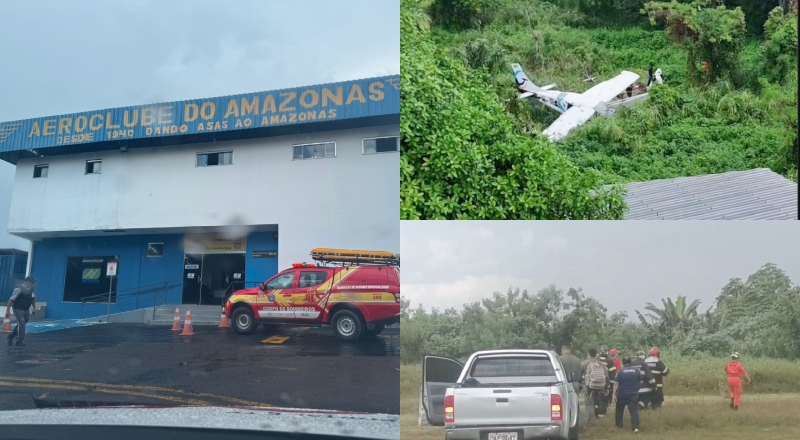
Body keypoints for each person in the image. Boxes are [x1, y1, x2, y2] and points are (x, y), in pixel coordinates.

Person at [614, 357, 645, 434]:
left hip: (622, 394)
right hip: (633, 394)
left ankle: (619, 426)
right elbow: (641, 382)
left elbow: (616, 383)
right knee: (634, 411)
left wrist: (613, 394)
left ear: (623, 362)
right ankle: (635, 427)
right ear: (630, 362)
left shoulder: (620, 371)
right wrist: (636, 389)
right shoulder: (636, 370)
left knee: (619, 410)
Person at [6, 276, 37, 347]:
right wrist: (8, 311)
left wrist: (34, 308)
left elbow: (33, 299)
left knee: (22, 324)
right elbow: (11, 300)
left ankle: (10, 336)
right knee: (21, 324)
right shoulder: (19, 289)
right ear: (27, 282)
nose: (32, 284)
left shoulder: (31, 289)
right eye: (31, 282)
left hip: (26, 309)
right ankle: (19, 341)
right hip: (17, 308)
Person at [581, 348, 609, 424]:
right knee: (596, 401)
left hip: (589, 387)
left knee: (588, 403)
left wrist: (581, 384)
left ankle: (591, 421)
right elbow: (606, 376)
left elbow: (580, 375)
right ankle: (596, 416)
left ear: (588, 354)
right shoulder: (600, 364)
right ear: (596, 354)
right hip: (600, 386)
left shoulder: (585, 363)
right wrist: (606, 387)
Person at [597, 345, 617, 415]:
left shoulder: (595, 360)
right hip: (605, 383)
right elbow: (612, 375)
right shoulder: (610, 362)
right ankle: (602, 413)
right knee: (604, 399)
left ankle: (595, 411)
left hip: (593, 383)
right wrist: (611, 386)